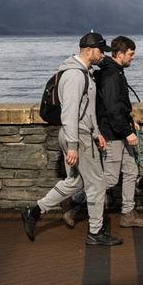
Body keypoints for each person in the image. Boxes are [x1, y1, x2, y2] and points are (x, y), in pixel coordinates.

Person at [22, 32, 121, 246]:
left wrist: (97, 133)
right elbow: (69, 113)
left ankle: (35, 210)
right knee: (97, 184)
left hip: (80, 135)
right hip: (78, 137)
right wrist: (75, 145)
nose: (103, 54)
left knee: (74, 181)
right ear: (88, 51)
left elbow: (88, 110)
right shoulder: (75, 75)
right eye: (100, 50)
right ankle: (95, 233)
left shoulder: (85, 73)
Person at [96, 36, 143, 227]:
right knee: (110, 178)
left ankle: (128, 214)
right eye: (131, 54)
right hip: (112, 134)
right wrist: (126, 132)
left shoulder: (116, 71)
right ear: (119, 54)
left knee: (130, 171)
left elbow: (120, 105)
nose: (133, 58)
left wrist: (130, 122)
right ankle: (76, 202)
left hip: (121, 130)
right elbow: (111, 109)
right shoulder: (111, 75)